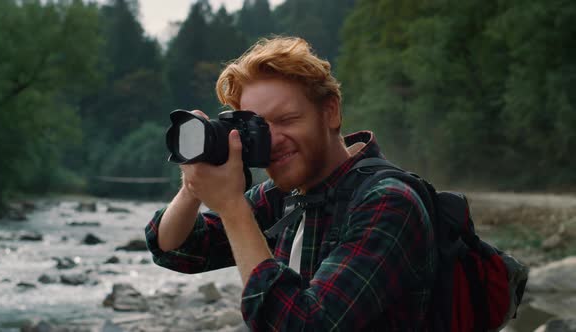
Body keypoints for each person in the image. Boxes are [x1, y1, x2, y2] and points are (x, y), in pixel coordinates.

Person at [145, 36, 436, 331]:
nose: (273, 140)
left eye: (287, 119)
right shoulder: (286, 196)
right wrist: (194, 183)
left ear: (330, 112)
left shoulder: (389, 202)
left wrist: (233, 207)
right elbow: (176, 248)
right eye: (258, 128)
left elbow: (305, 323)